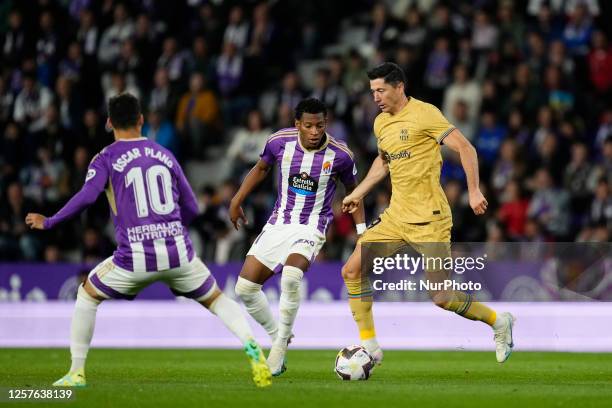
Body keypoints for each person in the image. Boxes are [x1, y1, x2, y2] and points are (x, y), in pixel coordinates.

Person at [25, 93, 271, 388]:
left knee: (87, 294)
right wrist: (170, 232)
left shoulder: (106, 157)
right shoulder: (164, 154)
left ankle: (77, 373)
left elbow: (88, 197)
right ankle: (251, 346)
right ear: (141, 120)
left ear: (108, 122)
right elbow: (192, 208)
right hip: (178, 251)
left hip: (134, 256)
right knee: (217, 299)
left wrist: (49, 221)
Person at [340, 63, 515, 365]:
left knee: (442, 297)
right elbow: (384, 162)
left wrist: (473, 190)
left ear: (399, 87)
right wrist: (358, 192)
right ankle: (370, 346)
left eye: (380, 90)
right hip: (395, 216)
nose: (376, 97)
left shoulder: (425, 114)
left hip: (430, 220)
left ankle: (499, 321)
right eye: (372, 92)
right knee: (351, 271)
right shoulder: (381, 123)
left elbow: (466, 147)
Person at [229, 98, 365, 376]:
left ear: (326, 123)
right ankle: (279, 333)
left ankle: (278, 348)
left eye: (319, 125)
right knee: (244, 289)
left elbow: (355, 193)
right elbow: (261, 169)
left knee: (291, 276)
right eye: (308, 126)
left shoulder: (341, 155)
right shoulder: (279, 142)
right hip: (278, 223)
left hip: (311, 226)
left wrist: (362, 233)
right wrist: (237, 199)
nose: (315, 131)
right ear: (297, 125)